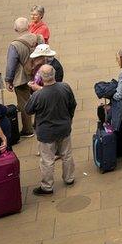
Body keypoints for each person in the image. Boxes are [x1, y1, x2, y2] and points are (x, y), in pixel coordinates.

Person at [25, 65, 77, 195]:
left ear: (41, 78)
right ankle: (69, 178)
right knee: (67, 155)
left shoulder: (38, 95)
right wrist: (68, 119)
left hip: (46, 132)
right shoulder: (65, 87)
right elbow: (73, 104)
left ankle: (47, 186)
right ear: (54, 74)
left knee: (47, 160)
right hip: (64, 128)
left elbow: (28, 110)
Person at [5, 16, 43, 138]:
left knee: (24, 103)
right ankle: (39, 123)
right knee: (40, 99)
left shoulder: (15, 45)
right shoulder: (39, 38)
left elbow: (11, 65)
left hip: (22, 78)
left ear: (16, 29)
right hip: (39, 75)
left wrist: (8, 80)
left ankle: (28, 129)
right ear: (28, 26)